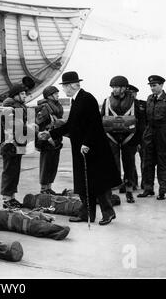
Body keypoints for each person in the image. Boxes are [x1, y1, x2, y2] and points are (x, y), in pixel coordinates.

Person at [46, 71, 121, 225]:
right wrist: (50, 134)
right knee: (84, 182)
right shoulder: (77, 100)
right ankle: (87, 214)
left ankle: (108, 213)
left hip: (92, 149)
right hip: (82, 149)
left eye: (65, 87)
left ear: (71, 86)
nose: (63, 90)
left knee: (98, 182)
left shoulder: (87, 98)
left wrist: (86, 143)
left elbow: (95, 124)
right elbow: (70, 125)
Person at [137, 75, 166, 200]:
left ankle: (163, 191)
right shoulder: (149, 99)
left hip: (164, 134)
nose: (152, 88)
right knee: (147, 162)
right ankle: (148, 189)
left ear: (161, 85)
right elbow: (146, 119)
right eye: (151, 86)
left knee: (163, 163)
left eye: (155, 85)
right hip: (150, 133)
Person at [100, 76, 142, 203]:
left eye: (117, 87)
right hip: (111, 137)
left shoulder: (135, 102)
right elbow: (101, 119)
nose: (115, 89)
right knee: (112, 164)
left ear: (124, 88)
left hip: (128, 138)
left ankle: (129, 190)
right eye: (113, 87)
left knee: (129, 164)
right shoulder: (106, 101)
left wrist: (138, 140)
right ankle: (113, 189)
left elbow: (141, 123)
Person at [0, 84, 34, 209]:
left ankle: (12, 198)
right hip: (10, 145)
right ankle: (7, 199)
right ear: (16, 95)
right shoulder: (9, 107)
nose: (25, 96)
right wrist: (29, 128)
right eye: (23, 94)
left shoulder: (19, 107)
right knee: (9, 172)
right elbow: (15, 125)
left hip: (17, 143)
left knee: (14, 171)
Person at [35, 85, 64, 195]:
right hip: (47, 140)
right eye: (56, 93)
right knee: (46, 165)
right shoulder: (44, 108)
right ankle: (44, 189)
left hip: (56, 139)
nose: (58, 95)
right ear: (49, 96)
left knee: (53, 165)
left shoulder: (57, 106)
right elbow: (38, 123)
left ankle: (49, 187)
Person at [127, 84, 146, 190]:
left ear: (135, 93)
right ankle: (132, 182)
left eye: (132, 93)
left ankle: (145, 183)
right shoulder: (125, 105)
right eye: (128, 93)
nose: (130, 95)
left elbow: (146, 122)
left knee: (145, 161)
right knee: (130, 162)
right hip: (130, 138)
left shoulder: (143, 104)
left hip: (143, 137)